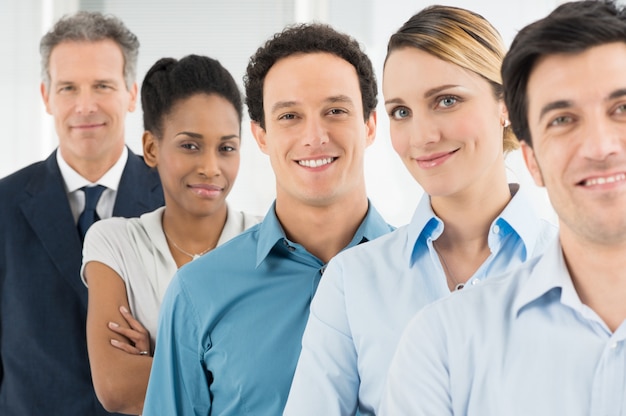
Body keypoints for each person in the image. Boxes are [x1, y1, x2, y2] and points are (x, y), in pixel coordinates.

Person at [284, 6, 557, 415]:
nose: (423, 136)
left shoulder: (574, 269)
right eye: (401, 112)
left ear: (506, 104)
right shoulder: (352, 280)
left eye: (447, 100)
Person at [380, 1, 626, 414]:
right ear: (532, 160)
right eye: (562, 120)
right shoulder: (442, 341)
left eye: (623, 109)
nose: (600, 147)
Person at [142, 23, 394, 415]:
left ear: (370, 125)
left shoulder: (429, 276)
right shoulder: (198, 292)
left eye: (336, 111)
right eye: (290, 115)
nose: (315, 136)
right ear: (260, 136)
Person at [0, 11, 163, 415]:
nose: (85, 106)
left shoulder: (175, 197)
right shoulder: (4, 203)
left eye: (103, 86)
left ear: (130, 94)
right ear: (46, 96)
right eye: (69, 87)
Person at [81, 54, 261, 415]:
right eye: (190, 145)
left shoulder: (268, 241)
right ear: (151, 148)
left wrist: (159, 357)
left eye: (226, 147)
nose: (211, 167)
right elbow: (116, 388)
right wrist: (233, 368)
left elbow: (282, 380)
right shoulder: (115, 242)